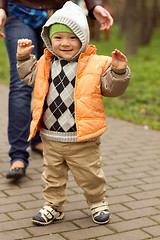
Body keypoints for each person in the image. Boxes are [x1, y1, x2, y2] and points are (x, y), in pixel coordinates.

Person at [16, 1, 130, 225]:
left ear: (83, 39)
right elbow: (30, 77)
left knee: (90, 175)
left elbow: (112, 88)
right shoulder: (45, 62)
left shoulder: (97, 64)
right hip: (51, 136)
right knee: (52, 177)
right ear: (49, 40)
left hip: (82, 137)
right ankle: (53, 206)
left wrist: (118, 70)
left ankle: (97, 202)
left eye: (72, 38)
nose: (65, 43)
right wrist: (22, 57)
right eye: (58, 38)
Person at [0, 0, 113, 179]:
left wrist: (94, 6)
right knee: (21, 85)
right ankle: (18, 155)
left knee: (53, 77)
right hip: (19, 11)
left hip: (58, 13)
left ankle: (39, 139)